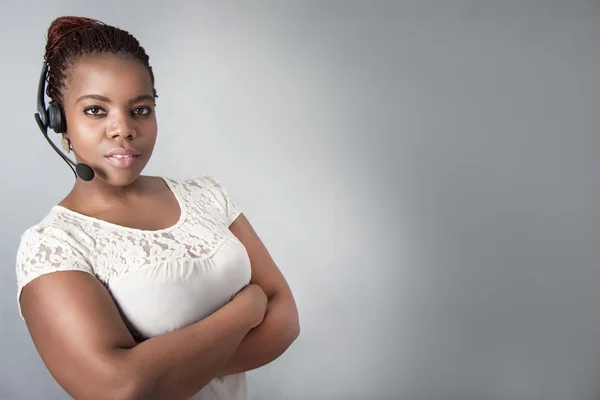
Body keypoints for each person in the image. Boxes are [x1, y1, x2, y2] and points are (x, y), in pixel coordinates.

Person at [15, 16, 300, 400]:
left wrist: (164, 371)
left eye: (140, 109)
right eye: (96, 110)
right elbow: (122, 389)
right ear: (59, 121)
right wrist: (247, 310)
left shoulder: (205, 195)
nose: (124, 129)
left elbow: (285, 323)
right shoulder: (53, 246)